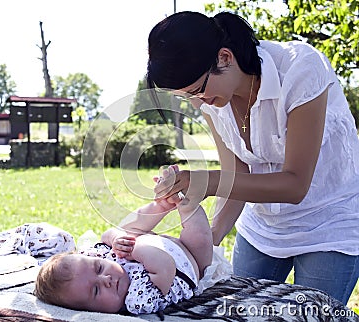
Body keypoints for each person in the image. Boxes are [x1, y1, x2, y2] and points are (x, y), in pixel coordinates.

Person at [147, 11, 359, 305]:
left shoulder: (300, 69)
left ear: (224, 58)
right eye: (186, 97)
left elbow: (295, 185)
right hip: (262, 229)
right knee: (236, 311)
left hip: (328, 224)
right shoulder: (214, 98)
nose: (197, 104)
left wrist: (207, 181)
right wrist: (206, 240)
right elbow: (237, 176)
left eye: (197, 91)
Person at [34, 165, 223, 315]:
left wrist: (117, 239)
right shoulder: (136, 300)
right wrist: (133, 249)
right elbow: (165, 265)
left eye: (99, 267)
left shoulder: (99, 258)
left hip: (149, 244)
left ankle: (164, 203)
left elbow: (106, 235)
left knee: (126, 228)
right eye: (96, 291)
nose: (106, 279)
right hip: (190, 261)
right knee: (200, 239)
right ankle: (187, 204)